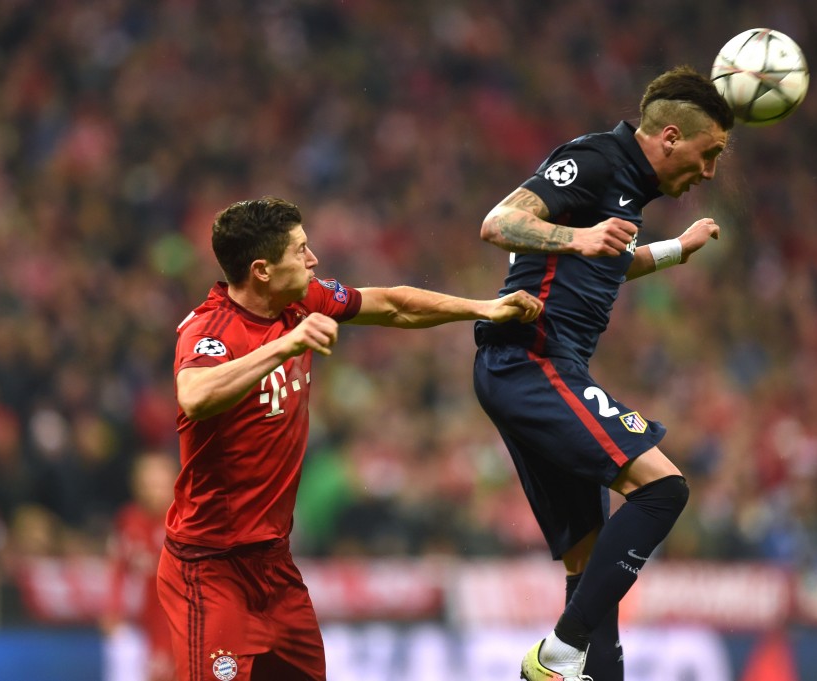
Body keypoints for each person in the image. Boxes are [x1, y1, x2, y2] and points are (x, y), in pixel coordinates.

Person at [156, 196, 542, 681]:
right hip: (209, 569)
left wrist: (483, 307)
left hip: (274, 566)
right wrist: (287, 344)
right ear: (261, 270)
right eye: (300, 250)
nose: (313, 259)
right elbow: (195, 395)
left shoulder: (300, 300)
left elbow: (393, 305)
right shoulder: (209, 331)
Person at [471, 65, 735, 680]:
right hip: (529, 360)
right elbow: (499, 223)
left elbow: (603, 259)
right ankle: (557, 655)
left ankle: (578, 665)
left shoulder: (631, 187)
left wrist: (674, 250)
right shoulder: (595, 158)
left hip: (537, 367)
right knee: (663, 489)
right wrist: (578, 236)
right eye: (709, 153)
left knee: (593, 574)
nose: (710, 172)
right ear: (670, 137)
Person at [103, 451, 178, 681]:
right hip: (144, 620)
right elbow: (117, 568)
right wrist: (112, 611)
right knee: (123, 651)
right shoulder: (128, 520)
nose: (153, 491)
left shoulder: (188, 522)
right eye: (147, 483)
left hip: (181, 619)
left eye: (159, 483)